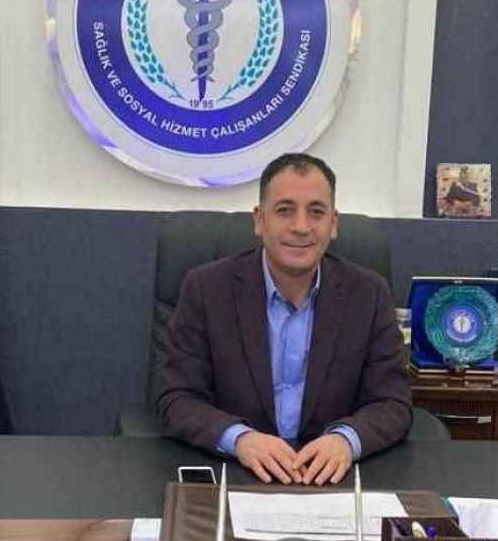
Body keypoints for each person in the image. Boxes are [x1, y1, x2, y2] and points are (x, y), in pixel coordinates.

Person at [155, 153, 412, 485]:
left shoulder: (368, 293)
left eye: (316, 212)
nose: (301, 227)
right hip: (237, 471)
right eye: (284, 210)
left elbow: (393, 402)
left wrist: (346, 441)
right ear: (260, 220)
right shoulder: (206, 289)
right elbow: (176, 398)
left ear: (333, 223)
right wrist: (239, 439)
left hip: (329, 477)